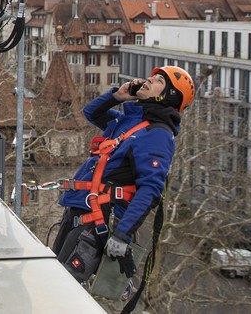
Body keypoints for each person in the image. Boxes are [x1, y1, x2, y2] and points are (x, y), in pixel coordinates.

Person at [51, 65, 195, 283]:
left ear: (170, 96)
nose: (148, 79)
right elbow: (91, 113)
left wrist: (122, 234)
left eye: (158, 81)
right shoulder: (131, 121)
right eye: (152, 76)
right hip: (80, 211)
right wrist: (117, 96)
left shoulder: (157, 134)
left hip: (96, 221)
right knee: (50, 276)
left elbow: (150, 191)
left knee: (60, 286)